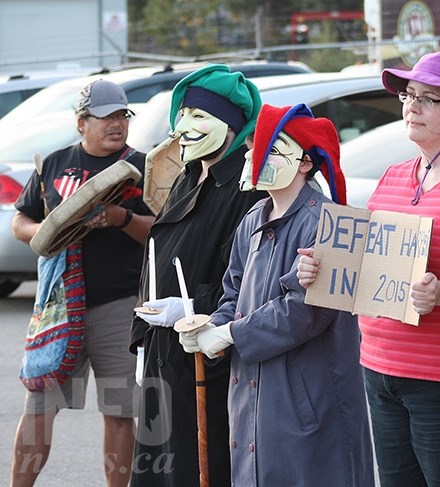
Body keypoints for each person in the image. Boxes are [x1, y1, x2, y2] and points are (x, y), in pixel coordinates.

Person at [298, 51, 440, 486]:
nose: (411, 106)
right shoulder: (395, 175)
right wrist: (323, 267)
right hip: (380, 368)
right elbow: (372, 264)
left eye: (429, 98)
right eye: (408, 94)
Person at [178, 103, 374, 486]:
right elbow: (232, 293)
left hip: (308, 398)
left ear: (303, 163)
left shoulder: (330, 222)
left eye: (271, 146)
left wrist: (232, 334)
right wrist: (210, 328)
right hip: (252, 394)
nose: (255, 155)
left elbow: (309, 310)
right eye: (254, 146)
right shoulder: (252, 219)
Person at [11, 79, 154, 486]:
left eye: (122, 115)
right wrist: (44, 231)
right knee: (39, 407)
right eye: (106, 116)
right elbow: (20, 218)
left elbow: (164, 230)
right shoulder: (54, 165)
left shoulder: (145, 166)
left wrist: (119, 218)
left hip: (120, 305)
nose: (116, 124)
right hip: (57, 309)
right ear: (81, 123)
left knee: (119, 412)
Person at [129, 64, 267, 486]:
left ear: (233, 126)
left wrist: (190, 308)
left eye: (200, 116)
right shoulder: (187, 176)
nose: (184, 126)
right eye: (183, 113)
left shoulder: (250, 186)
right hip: (160, 352)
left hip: (210, 355)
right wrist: (140, 334)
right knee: (158, 467)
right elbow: (158, 250)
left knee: (199, 466)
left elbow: (249, 278)